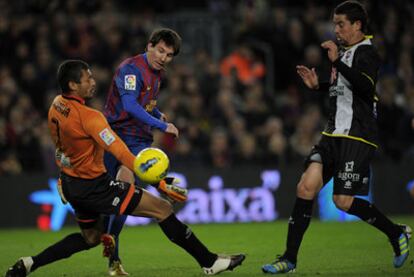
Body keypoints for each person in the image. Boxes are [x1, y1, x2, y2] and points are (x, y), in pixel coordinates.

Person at [5, 60, 245, 277]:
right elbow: (120, 152)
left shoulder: (56, 106)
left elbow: (61, 148)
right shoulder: (91, 118)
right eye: (87, 78)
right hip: (96, 187)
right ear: (73, 84)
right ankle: (210, 262)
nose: (93, 81)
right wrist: (160, 184)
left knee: (91, 238)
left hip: (71, 183)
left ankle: (29, 263)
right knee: (162, 208)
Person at [261, 1, 410, 274]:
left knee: (343, 201)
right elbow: (345, 88)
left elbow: (365, 88)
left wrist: (336, 62)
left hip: (357, 137)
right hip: (332, 134)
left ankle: (395, 232)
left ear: (357, 25)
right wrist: (319, 86)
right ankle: (289, 259)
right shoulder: (345, 53)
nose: (336, 28)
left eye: (341, 23)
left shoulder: (367, 52)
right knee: (305, 188)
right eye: (335, 23)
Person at [101, 28, 182, 276]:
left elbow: (143, 102)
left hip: (137, 139)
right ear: (149, 46)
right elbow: (128, 104)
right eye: (160, 50)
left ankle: (112, 250)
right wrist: (162, 125)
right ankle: (165, 185)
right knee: (114, 199)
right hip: (114, 136)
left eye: (169, 55)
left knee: (125, 188)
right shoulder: (130, 70)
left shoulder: (158, 74)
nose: (163, 57)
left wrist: (156, 113)